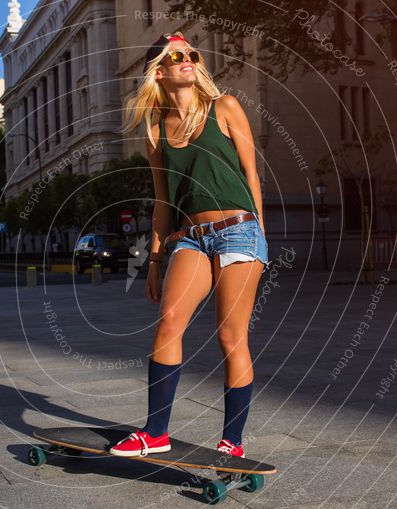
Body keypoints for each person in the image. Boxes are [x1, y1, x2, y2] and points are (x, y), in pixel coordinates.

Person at [111, 32, 271, 458]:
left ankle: (232, 443)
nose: (188, 61)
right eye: (176, 56)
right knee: (169, 320)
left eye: (191, 55)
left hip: (238, 230)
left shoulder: (226, 108)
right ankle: (155, 433)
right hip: (190, 238)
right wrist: (154, 260)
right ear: (159, 72)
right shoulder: (156, 132)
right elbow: (163, 201)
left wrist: (259, 234)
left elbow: (252, 176)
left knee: (231, 337)